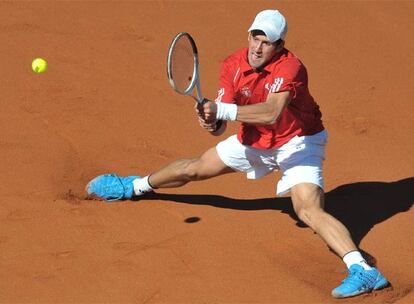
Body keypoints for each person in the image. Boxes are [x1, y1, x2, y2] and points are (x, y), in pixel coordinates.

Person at [86, 9, 388, 298]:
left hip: (298, 142)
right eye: (255, 37)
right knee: (195, 168)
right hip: (254, 140)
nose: (258, 47)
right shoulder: (232, 65)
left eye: (266, 41)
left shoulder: (290, 67)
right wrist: (212, 121)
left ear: (279, 45)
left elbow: (271, 112)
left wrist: (222, 111)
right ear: (248, 36)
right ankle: (133, 187)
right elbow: (220, 126)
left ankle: (362, 270)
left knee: (307, 210)